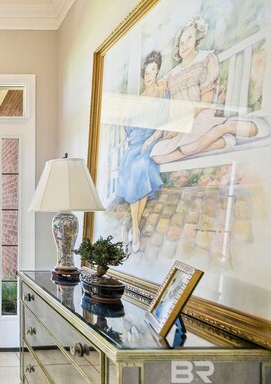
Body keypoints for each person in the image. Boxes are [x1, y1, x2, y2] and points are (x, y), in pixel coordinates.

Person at [150, 16, 269, 164]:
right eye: (181, 42)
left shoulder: (205, 59)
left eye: (189, 38)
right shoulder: (174, 73)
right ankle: (220, 142)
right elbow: (160, 84)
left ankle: (223, 129)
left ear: (196, 39)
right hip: (182, 125)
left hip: (200, 117)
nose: (184, 45)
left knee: (188, 146)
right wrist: (160, 83)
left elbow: (205, 103)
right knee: (157, 156)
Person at [115, 50, 165, 252]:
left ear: (158, 71)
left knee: (141, 166)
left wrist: (150, 140)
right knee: (132, 167)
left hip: (149, 141)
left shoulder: (161, 94)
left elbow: (162, 126)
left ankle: (133, 229)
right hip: (134, 144)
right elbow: (124, 137)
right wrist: (120, 122)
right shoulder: (136, 101)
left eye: (153, 70)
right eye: (146, 71)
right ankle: (135, 229)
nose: (149, 75)